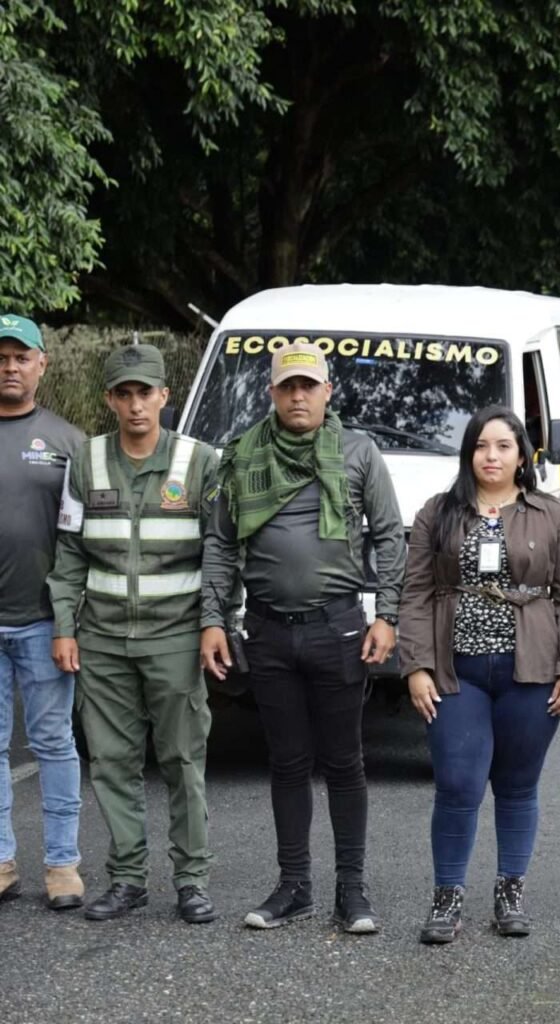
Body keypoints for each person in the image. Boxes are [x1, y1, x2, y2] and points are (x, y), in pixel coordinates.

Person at [200, 340, 405, 934]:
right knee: (287, 763)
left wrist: (387, 615)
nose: (298, 396)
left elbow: (389, 535)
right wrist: (213, 619)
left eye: (308, 386)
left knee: (344, 762)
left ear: (327, 391)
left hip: (338, 628)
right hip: (266, 630)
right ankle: (294, 887)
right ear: (272, 392)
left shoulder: (358, 452)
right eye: (287, 386)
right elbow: (220, 544)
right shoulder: (242, 455)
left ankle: (352, 889)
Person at [398, 406, 560, 944]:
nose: (491, 456)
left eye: (504, 446)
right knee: (457, 784)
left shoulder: (551, 514)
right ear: (468, 453)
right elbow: (415, 592)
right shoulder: (438, 512)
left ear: (521, 455)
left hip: (531, 669)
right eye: (482, 445)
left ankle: (510, 893)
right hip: (455, 671)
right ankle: (447, 897)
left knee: (517, 784)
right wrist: (416, 666)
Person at [47, 345, 221, 924]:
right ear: (110, 400)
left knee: (182, 761)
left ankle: (191, 880)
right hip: (102, 640)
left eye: (145, 392)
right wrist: (65, 626)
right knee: (112, 762)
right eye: (124, 394)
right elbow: (69, 552)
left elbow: (220, 553)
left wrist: (214, 623)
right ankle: (127, 879)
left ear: (164, 396)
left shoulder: (199, 460)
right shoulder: (87, 459)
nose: (136, 404)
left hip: (176, 638)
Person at [0, 313, 85, 910]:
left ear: (41, 365)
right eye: (1, 358)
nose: (10, 367)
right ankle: (1, 861)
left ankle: (62, 865)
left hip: (43, 622)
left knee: (54, 743)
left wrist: (69, 620)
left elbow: (82, 541)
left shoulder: (68, 443)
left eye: (21, 357)